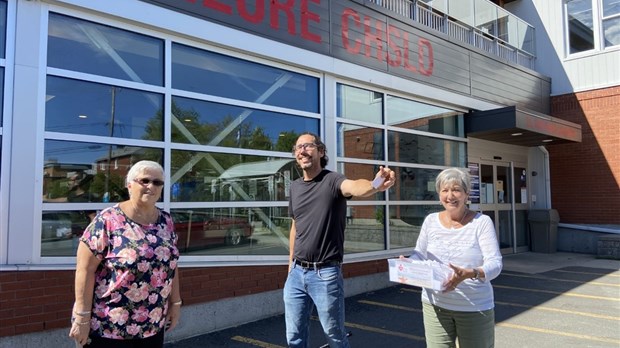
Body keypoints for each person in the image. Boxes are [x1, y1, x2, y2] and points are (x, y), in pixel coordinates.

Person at [284, 132, 396, 348]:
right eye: (297, 148)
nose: (302, 151)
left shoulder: (332, 180)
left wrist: (375, 184)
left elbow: (354, 186)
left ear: (321, 151)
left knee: (334, 335)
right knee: (294, 336)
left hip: (325, 274)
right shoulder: (295, 187)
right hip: (296, 274)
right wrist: (290, 263)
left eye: (307, 146)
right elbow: (295, 225)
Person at [69, 160, 181, 348]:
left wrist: (175, 303)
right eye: (144, 180)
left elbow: (171, 265)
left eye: (157, 182)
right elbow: (84, 270)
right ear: (129, 185)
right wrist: (81, 318)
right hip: (110, 327)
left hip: (152, 326)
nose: (151, 186)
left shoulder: (166, 221)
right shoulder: (107, 220)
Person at [403, 167, 502, 348]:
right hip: (435, 305)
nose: (450, 195)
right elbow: (419, 253)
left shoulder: (481, 223)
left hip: (474, 307)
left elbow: (495, 264)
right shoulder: (431, 221)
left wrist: (471, 273)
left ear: (466, 194)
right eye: (445, 190)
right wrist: (408, 264)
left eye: (456, 189)